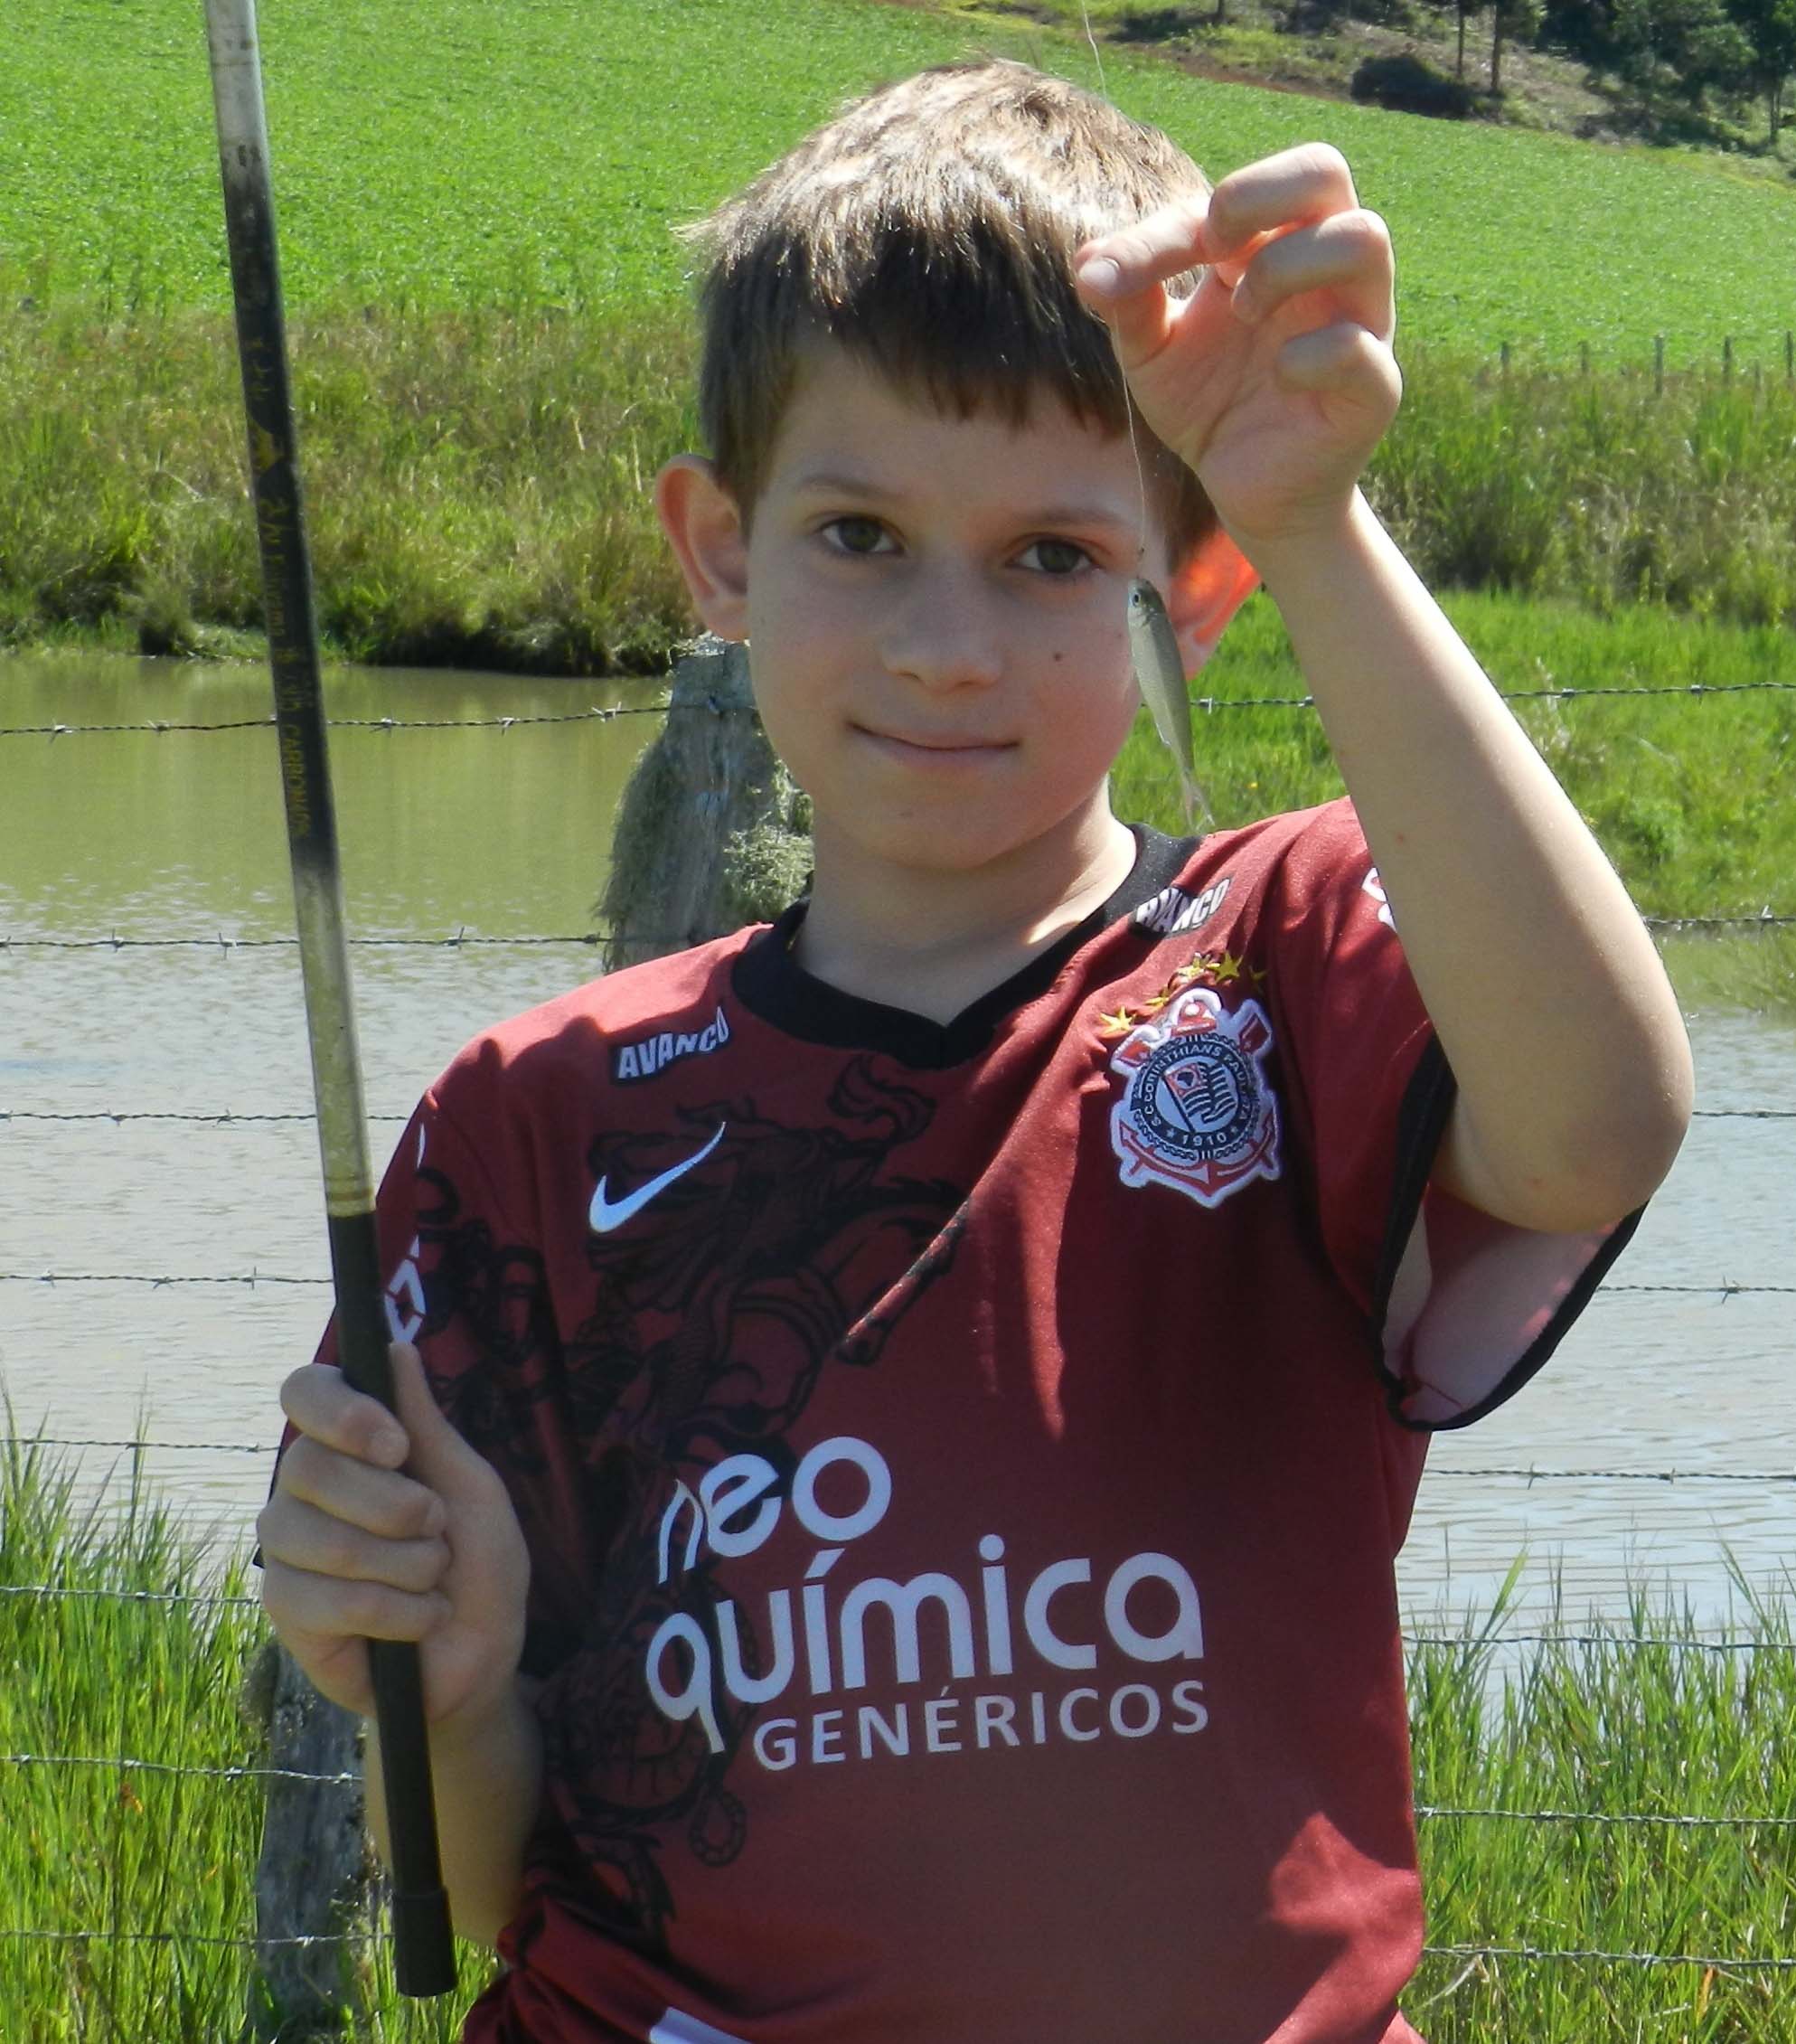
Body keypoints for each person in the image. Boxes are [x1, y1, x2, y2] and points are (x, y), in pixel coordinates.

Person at [250, 59, 1690, 2044]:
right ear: (716, 548)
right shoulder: (528, 1126)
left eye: (1049, 559)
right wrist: (453, 1679)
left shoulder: (1278, 957)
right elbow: (499, 1881)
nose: (947, 643)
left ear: (1190, 589)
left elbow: (1600, 1123)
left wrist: (1315, 515)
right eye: (855, 534)